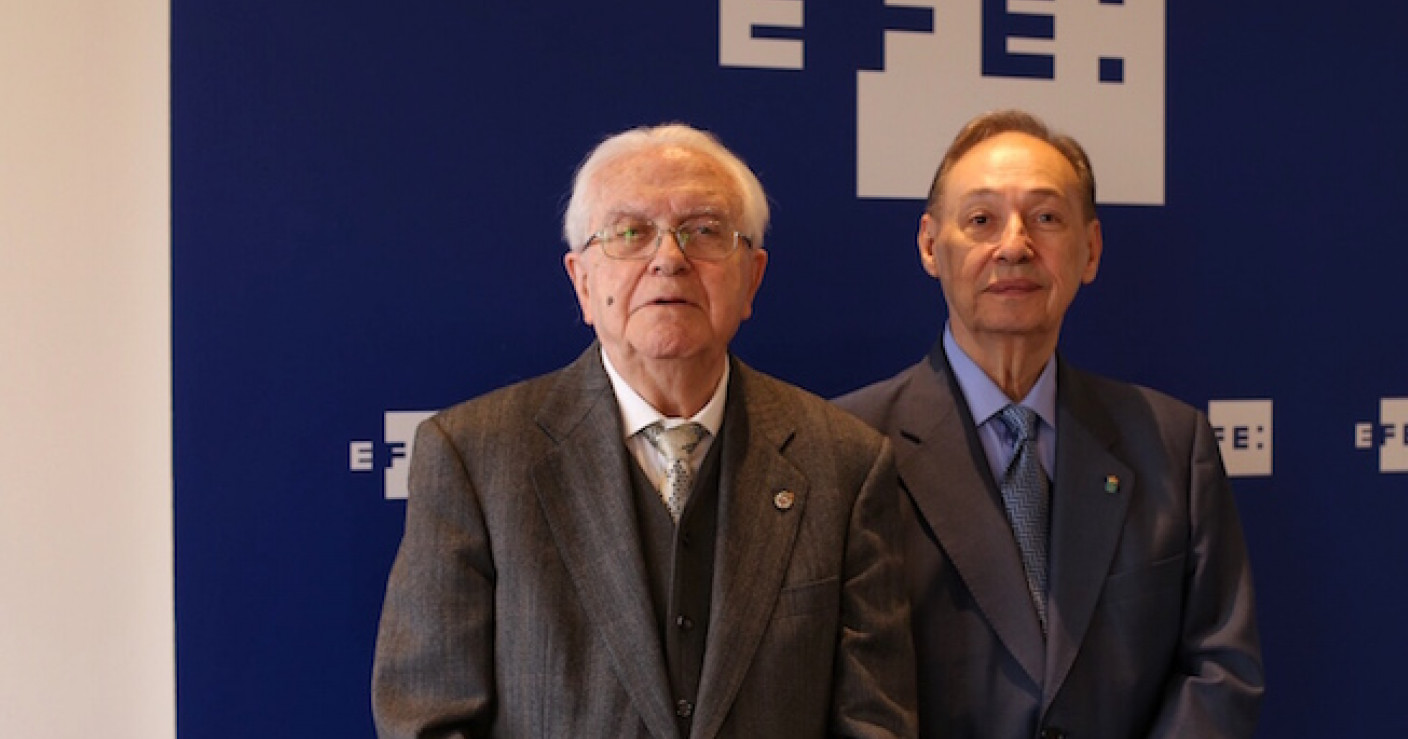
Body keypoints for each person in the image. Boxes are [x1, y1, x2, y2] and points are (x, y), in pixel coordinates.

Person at [372, 123, 916, 738]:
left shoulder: (844, 463)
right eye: (631, 233)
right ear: (582, 281)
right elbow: (427, 720)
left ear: (752, 278)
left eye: (704, 231)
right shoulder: (474, 457)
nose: (669, 259)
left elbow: (875, 723)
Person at [836, 109, 1263, 738]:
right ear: (930, 245)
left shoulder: (1173, 444)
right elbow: (837, 693)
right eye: (981, 220)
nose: (1015, 246)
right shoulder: (848, 445)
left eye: (1046, 218)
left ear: (1090, 250)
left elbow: (1219, 668)